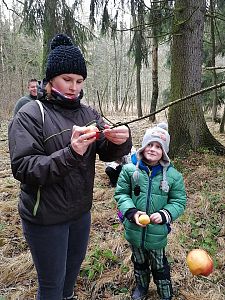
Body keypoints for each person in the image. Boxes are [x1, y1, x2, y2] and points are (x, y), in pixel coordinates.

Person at [8, 33, 132, 300]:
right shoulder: (31, 114)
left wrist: (122, 140)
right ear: (50, 80)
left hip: (80, 214)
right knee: (51, 287)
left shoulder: (88, 114)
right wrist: (72, 152)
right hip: (45, 218)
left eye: (79, 81)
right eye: (67, 79)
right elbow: (24, 168)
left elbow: (105, 151)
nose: (74, 87)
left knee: (68, 283)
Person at [114, 123, 186, 300]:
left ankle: (165, 293)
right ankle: (142, 287)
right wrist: (131, 212)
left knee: (159, 265)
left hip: (157, 233)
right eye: (150, 144)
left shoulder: (173, 176)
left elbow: (179, 201)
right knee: (139, 262)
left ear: (164, 152)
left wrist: (164, 214)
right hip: (134, 229)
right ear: (143, 146)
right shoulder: (130, 170)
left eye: (158, 147)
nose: (153, 149)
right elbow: (121, 194)